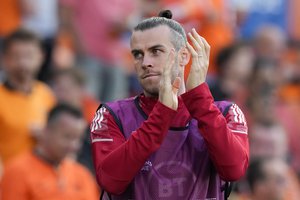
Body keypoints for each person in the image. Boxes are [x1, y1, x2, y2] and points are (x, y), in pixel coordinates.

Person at [91, 10, 249, 199]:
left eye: (156, 51)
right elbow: (111, 180)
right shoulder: (111, 115)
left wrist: (199, 100)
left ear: (184, 56)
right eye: (138, 54)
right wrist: (162, 113)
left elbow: (234, 169)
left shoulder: (227, 112)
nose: (145, 62)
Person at [1, 104, 99, 200]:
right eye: (67, 137)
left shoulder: (83, 176)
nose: (74, 145)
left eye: (78, 139)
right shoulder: (17, 172)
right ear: (46, 131)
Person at [0, 29, 56, 165]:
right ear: (5, 59)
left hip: (40, 179)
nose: (23, 63)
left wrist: (45, 136)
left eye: (29, 56)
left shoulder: (46, 94)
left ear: (41, 57)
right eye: (16, 56)